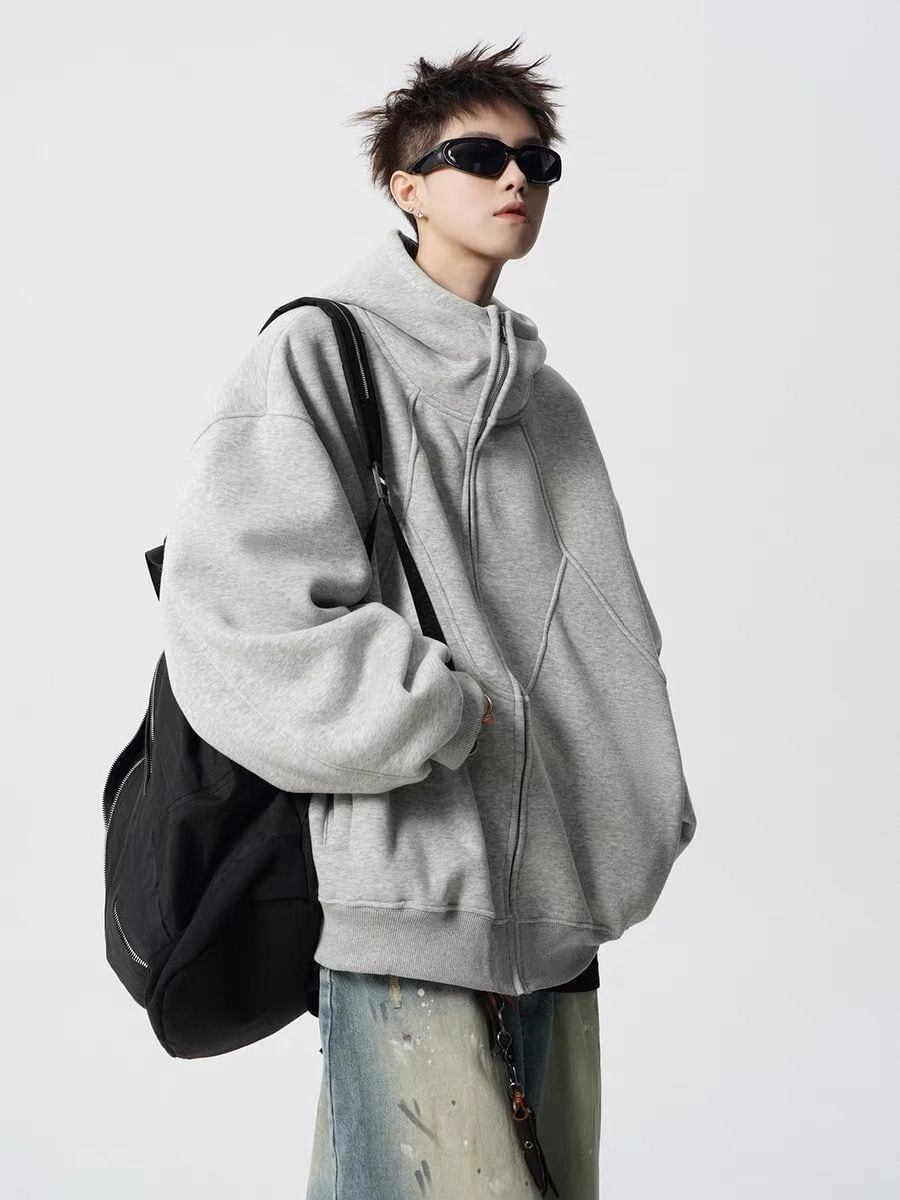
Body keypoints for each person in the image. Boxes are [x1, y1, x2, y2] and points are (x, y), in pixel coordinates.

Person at [158, 37, 696, 1200]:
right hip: (408, 890)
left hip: (553, 912)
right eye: (478, 158)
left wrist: (636, 819)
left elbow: (612, 639)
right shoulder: (319, 351)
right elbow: (237, 606)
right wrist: (435, 710)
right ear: (405, 187)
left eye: (537, 162)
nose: (515, 180)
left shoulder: (549, 408)